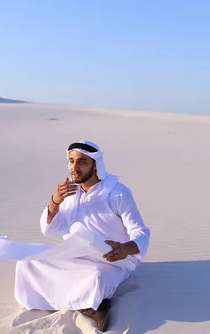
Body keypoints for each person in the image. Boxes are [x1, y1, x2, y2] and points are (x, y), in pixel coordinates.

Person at [13, 140, 151, 332]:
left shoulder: (117, 193)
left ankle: (94, 306)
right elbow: (49, 229)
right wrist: (55, 202)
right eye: (71, 161)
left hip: (110, 260)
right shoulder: (69, 193)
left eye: (82, 162)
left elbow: (141, 232)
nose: (74, 167)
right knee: (26, 264)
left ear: (96, 165)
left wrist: (124, 248)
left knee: (96, 277)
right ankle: (84, 301)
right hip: (73, 257)